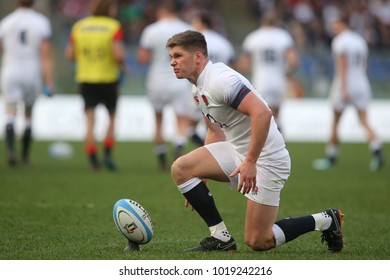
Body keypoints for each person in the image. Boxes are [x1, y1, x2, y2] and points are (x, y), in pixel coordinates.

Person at [166, 30, 344, 253]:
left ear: (198, 57)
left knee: (259, 240)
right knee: (182, 169)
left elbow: (262, 113)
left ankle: (325, 220)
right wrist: (201, 175)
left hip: (267, 159)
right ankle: (221, 238)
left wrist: (250, 161)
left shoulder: (220, 81)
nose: (173, 62)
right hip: (237, 151)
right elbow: (213, 130)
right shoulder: (197, 85)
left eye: (178, 56)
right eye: (171, 57)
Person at [312, 16, 385, 172]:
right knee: (364, 120)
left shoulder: (340, 41)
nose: (332, 28)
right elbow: (365, 64)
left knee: (335, 121)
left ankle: (331, 157)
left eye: (334, 24)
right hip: (362, 83)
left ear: (341, 24)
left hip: (346, 84)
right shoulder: (360, 40)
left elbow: (342, 65)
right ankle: (377, 151)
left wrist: (344, 88)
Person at [65, 0, 126, 171]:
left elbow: (69, 54)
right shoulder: (114, 26)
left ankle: (93, 160)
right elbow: (118, 54)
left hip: (85, 78)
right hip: (108, 78)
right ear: (109, 9)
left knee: (90, 120)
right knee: (112, 118)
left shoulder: (79, 26)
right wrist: (123, 65)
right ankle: (107, 155)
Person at [137, 0, 192, 170]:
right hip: (180, 81)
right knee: (182, 119)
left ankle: (160, 155)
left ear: (161, 12)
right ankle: (178, 146)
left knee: (158, 119)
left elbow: (142, 58)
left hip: (157, 80)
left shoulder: (151, 30)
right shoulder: (186, 29)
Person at [0, 0, 54, 166]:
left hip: (10, 71)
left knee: (10, 112)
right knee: (29, 114)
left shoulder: (6, 22)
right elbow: (45, 54)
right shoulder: (41, 22)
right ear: (34, 3)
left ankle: (10, 151)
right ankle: (25, 155)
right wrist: (49, 81)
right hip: (31, 72)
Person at [238, 11, 299, 133]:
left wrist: (254, 69)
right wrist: (287, 72)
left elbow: (243, 64)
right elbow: (294, 61)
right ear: (276, 22)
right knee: (275, 113)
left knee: (259, 112)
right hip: (278, 78)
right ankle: (277, 133)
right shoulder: (283, 36)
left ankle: (262, 141)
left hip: (260, 79)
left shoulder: (253, 37)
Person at [188, 10, 237, 146]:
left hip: (200, 86)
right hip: (221, 86)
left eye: (195, 23)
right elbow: (232, 64)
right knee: (217, 122)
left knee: (195, 122)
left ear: (202, 23)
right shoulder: (222, 42)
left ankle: (202, 144)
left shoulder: (194, 42)